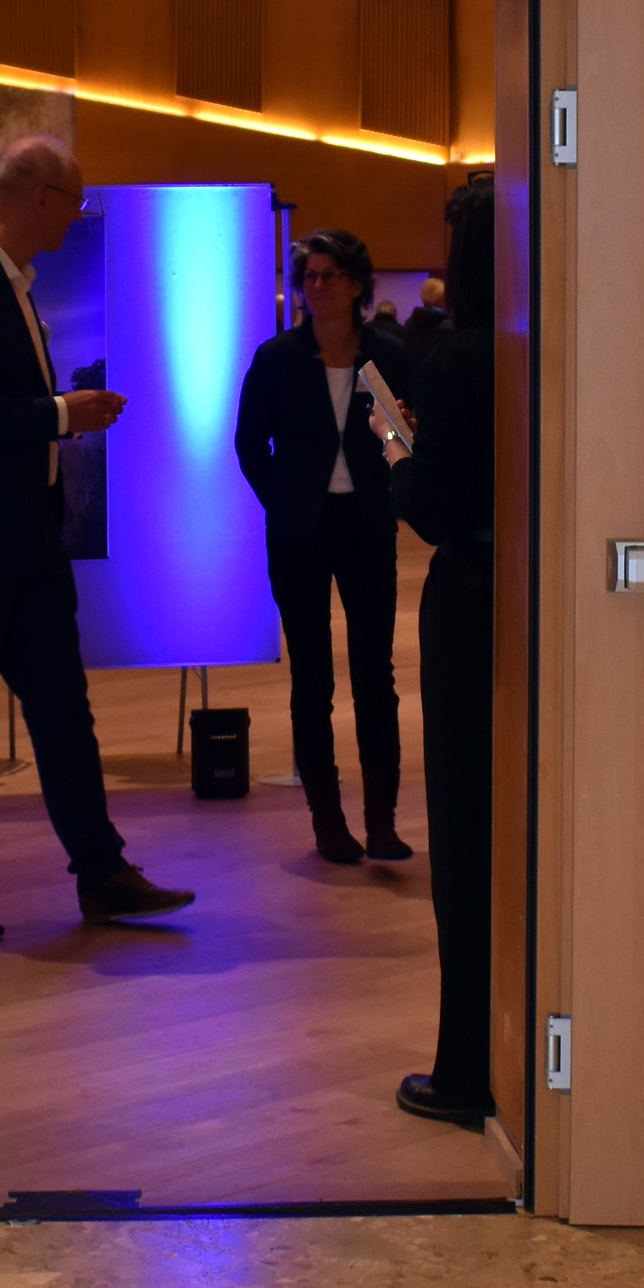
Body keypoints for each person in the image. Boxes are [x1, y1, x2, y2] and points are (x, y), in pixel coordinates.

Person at [0, 136, 197, 941]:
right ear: (40, 197)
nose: (77, 217)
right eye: (75, 202)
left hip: (20, 543)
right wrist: (63, 414)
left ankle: (102, 874)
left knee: (62, 710)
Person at [233, 227, 413, 865]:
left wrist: (398, 457)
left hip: (367, 525)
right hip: (300, 533)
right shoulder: (279, 357)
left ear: (357, 284)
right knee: (312, 678)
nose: (316, 286)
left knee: (375, 676)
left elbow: (403, 436)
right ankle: (328, 823)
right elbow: (248, 443)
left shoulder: (387, 354)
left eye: (328, 274)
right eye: (308, 276)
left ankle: (382, 822)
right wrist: (281, 500)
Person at [384, 172, 497, 1130]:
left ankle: (466, 1066)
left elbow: (429, 507)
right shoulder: (564, 346)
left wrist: (392, 443)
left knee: (464, 834)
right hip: (552, 600)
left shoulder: (458, 362)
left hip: (473, 603)